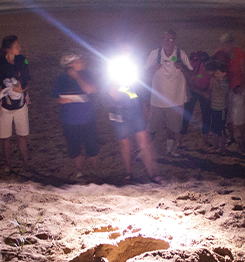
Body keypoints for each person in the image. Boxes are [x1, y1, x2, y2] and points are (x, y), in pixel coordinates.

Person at [105, 72, 162, 184]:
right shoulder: (111, 78)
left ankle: (152, 174)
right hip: (119, 112)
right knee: (125, 144)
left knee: (143, 142)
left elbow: (138, 93)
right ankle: (129, 173)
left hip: (135, 111)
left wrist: (145, 108)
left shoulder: (131, 76)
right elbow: (112, 96)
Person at [144, 29, 194, 157]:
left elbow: (192, 72)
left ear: (175, 41)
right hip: (157, 98)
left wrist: (182, 67)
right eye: (165, 39)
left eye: (170, 39)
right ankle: (144, 151)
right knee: (151, 127)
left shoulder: (180, 54)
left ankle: (170, 149)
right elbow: (143, 70)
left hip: (175, 98)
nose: (167, 41)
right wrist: (152, 68)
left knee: (172, 127)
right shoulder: (155, 54)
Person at [52, 52, 100, 181]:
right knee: (74, 148)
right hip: (69, 120)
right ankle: (80, 171)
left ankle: (95, 172)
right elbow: (54, 97)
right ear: (70, 65)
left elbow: (90, 90)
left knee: (92, 147)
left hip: (88, 118)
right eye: (79, 61)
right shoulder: (61, 79)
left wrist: (77, 77)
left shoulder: (87, 74)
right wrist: (59, 100)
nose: (82, 62)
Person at [0, 35, 32, 174]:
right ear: (8, 49)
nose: (19, 48)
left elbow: (27, 79)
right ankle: (9, 165)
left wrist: (23, 90)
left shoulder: (22, 59)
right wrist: (0, 92)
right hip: (5, 106)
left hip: (20, 104)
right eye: (16, 46)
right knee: (5, 138)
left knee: (22, 136)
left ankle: (26, 164)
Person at [214, 32, 245, 151]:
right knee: (228, 117)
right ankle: (232, 138)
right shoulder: (219, 53)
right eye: (223, 45)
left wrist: (241, 85)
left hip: (237, 87)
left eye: (227, 45)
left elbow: (243, 71)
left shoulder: (239, 52)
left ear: (232, 44)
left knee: (239, 117)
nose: (225, 48)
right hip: (225, 89)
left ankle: (242, 139)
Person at [183, 50, 214, 147]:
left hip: (202, 90)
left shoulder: (205, 69)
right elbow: (191, 86)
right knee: (188, 114)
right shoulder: (193, 70)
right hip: (196, 90)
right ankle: (182, 139)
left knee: (204, 115)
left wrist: (207, 92)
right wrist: (205, 93)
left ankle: (182, 141)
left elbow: (211, 81)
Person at [207, 61, 230, 153]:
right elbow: (210, 91)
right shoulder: (216, 81)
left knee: (221, 129)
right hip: (214, 108)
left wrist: (216, 84)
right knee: (214, 128)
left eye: (218, 73)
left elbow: (221, 94)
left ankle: (222, 147)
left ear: (224, 74)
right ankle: (215, 145)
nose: (215, 75)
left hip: (221, 109)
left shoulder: (224, 83)